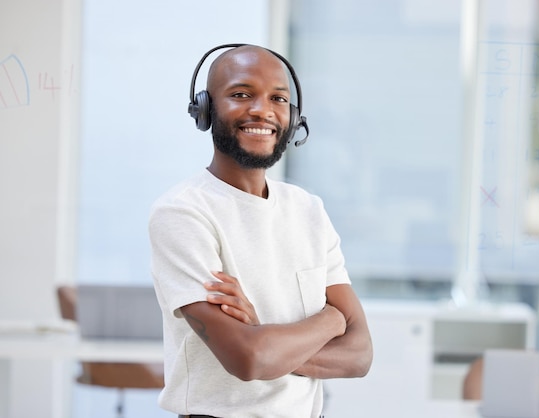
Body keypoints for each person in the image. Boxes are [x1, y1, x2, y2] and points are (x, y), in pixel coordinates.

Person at [149, 44, 373, 418]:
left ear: (293, 115)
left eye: (278, 98)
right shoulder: (183, 213)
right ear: (205, 109)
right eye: (241, 94)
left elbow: (360, 354)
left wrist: (266, 337)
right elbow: (249, 359)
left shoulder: (309, 210)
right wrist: (332, 320)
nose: (262, 110)